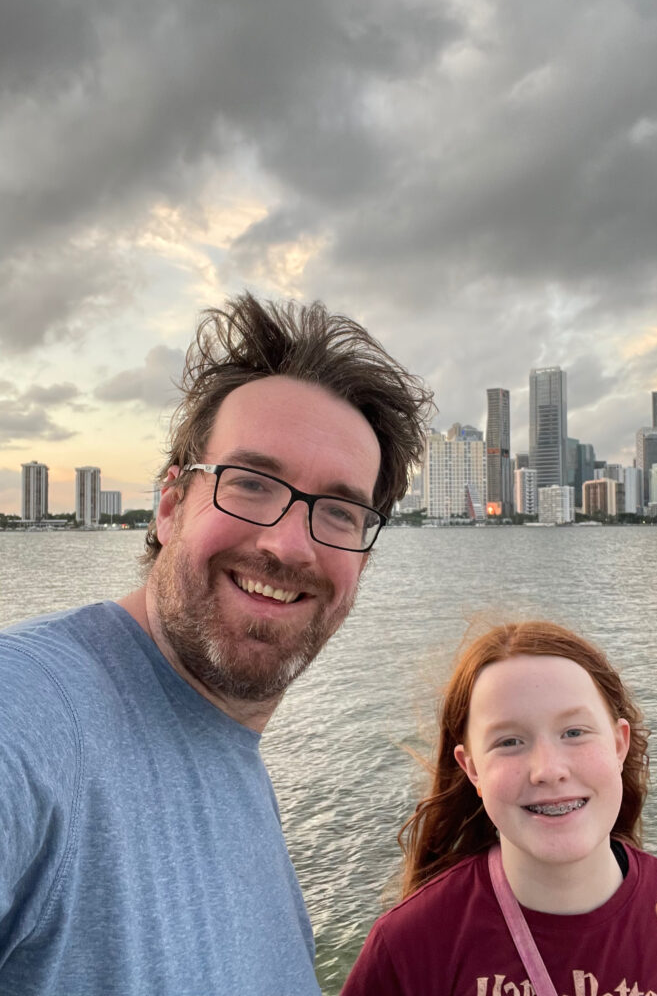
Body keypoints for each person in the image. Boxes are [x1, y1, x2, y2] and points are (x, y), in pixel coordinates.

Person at [0, 293, 433, 996]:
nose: (288, 544)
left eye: (340, 511)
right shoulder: (28, 712)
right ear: (171, 505)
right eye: (252, 484)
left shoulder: (232, 763)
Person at [341, 621, 657, 996]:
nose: (547, 769)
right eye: (509, 742)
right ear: (471, 768)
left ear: (620, 744)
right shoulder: (410, 946)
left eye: (575, 732)